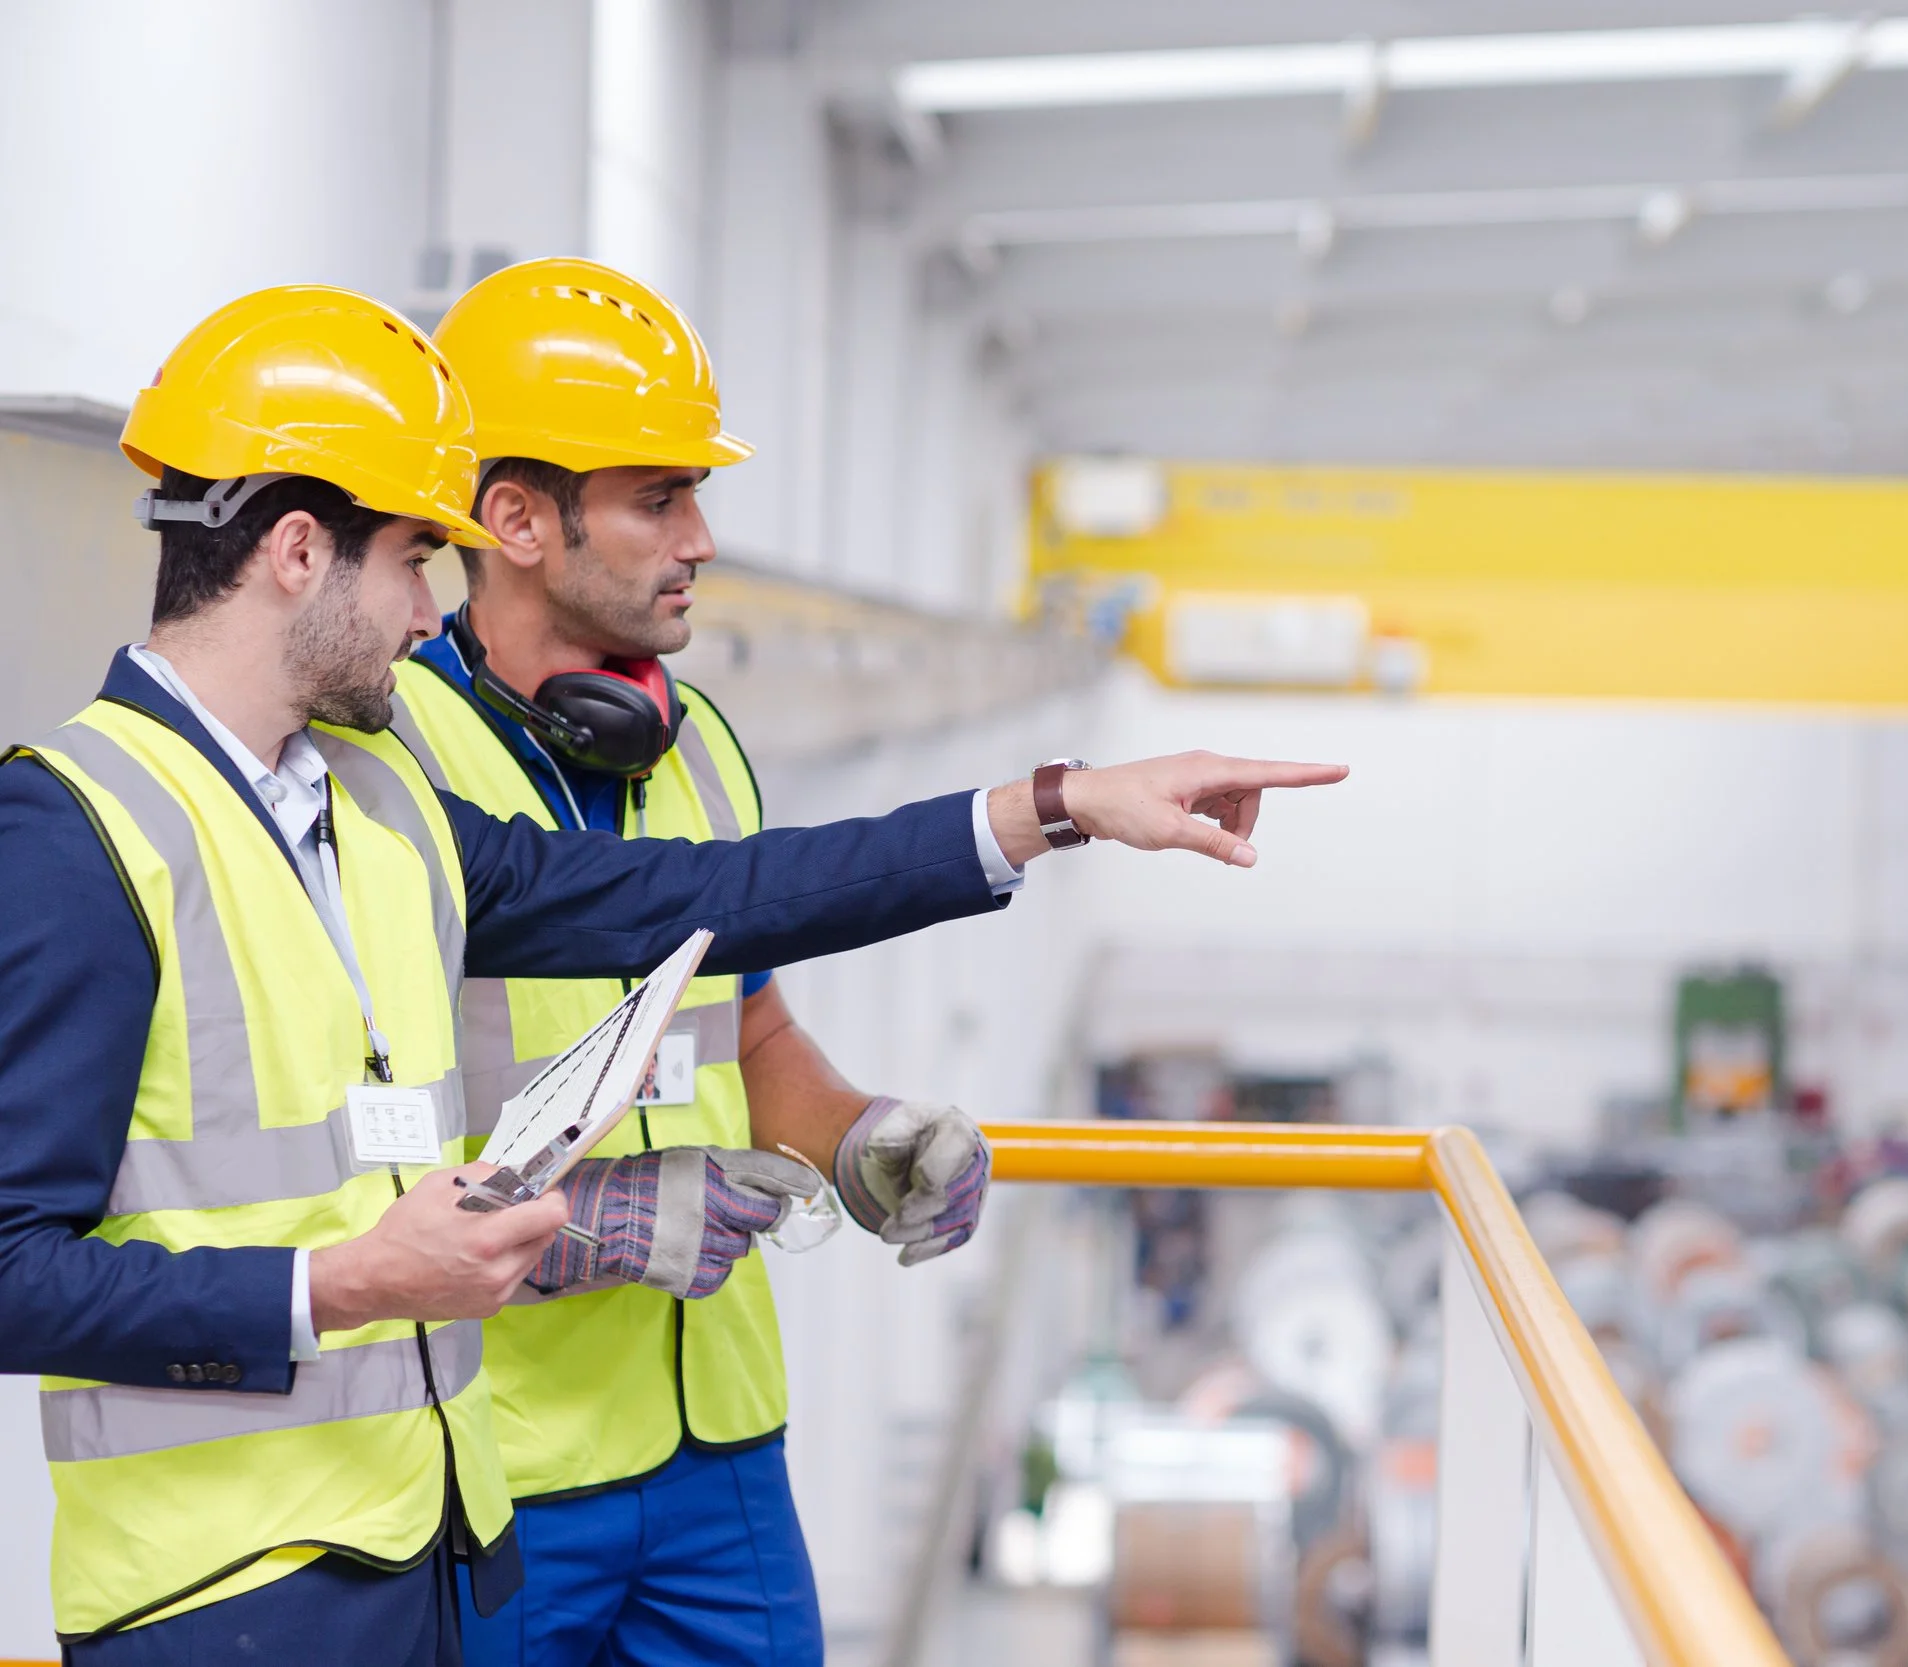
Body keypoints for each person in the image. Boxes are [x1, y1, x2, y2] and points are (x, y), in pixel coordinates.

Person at [0, 284, 1346, 1666]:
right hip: (222, 1591)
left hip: (421, 1536)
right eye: (414, 557)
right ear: (297, 551)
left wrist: (1056, 803)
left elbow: (712, 901)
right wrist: (349, 1280)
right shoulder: (80, 828)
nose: (423, 609)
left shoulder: (372, 814)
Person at [402, 255, 1016, 1664]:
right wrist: (575, 1227)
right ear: (515, 519)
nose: (703, 536)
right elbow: (337, 1132)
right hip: (501, 1458)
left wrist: (863, 1136)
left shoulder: (704, 747)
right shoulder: (397, 775)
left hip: (719, 1454)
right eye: (657, 496)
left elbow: (753, 1038)